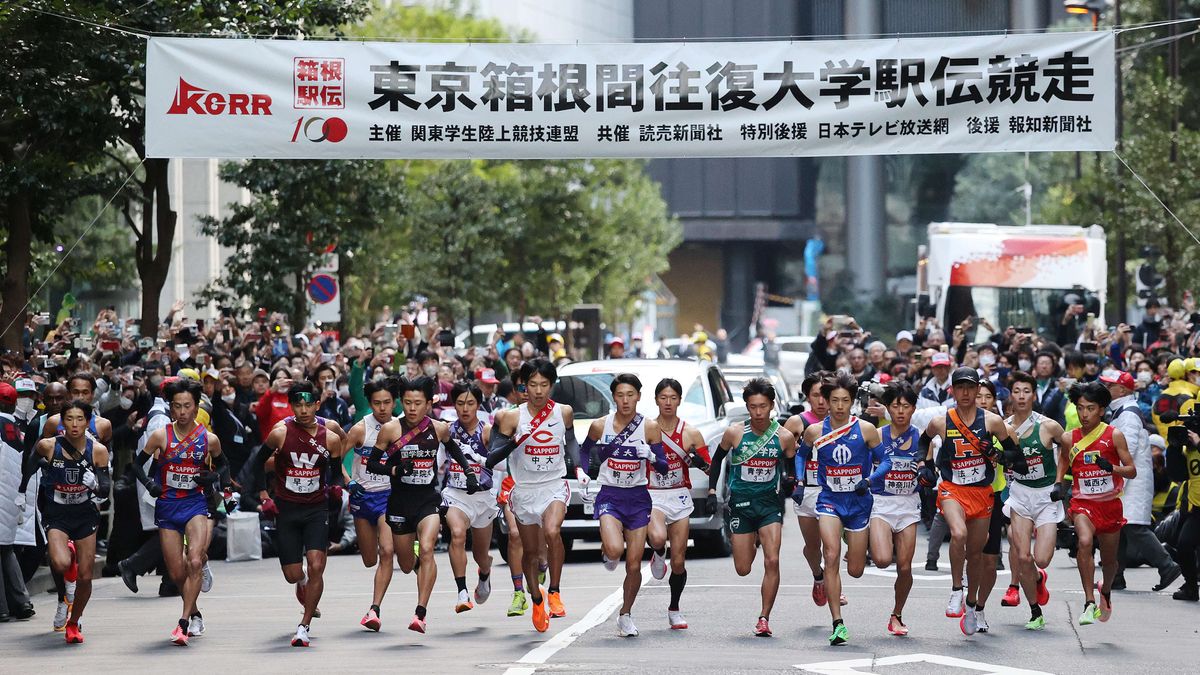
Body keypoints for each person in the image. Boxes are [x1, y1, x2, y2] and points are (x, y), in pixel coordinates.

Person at [917, 367, 1025, 636]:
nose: (965, 393)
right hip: (952, 488)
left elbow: (1016, 456)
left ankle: (973, 602)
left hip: (982, 492)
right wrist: (925, 465)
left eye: (970, 387)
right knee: (958, 532)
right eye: (960, 387)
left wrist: (997, 455)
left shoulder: (993, 422)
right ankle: (956, 590)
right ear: (952, 390)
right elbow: (924, 440)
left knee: (976, 554)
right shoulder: (941, 421)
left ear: (978, 390)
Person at [368, 376, 478, 634]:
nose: (412, 408)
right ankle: (418, 561)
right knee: (407, 564)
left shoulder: (439, 429)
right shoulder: (391, 430)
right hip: (399, 503)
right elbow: (372, 463)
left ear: (428, 403)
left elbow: (455, 451)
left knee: (428, 548)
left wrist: (469, 473)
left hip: (427, 500)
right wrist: (395, 469)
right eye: (407, 403)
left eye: (418, 403)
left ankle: (420, 614)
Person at [486, 359, 580, 633]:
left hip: (553, 484)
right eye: (533, 385)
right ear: (523, 386)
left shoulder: (564, 412)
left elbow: (571, 442)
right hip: (525, 489)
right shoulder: (509, 417)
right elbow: (491, 458)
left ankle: (554, 592)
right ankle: (536, 600)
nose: (538, 391)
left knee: (552, 532)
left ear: (552, 385)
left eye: (544, 385)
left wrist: (579, 467)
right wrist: (516, 440)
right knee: (529, 552)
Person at [131, 378, 227, 645]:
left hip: (194, 504)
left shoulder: (209, 439)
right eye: (177, 406)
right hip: (167, 507)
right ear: (171, 409)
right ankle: (195, 613)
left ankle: (183, 623)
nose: (182, 411)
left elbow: (224, 468)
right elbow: (137, 465)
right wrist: (150, 484)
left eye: (187, 406)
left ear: (196, 408)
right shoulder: (161, 435)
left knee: (194, 560)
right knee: (176, 574)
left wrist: (211, 478)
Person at [707, 378, 798, 638]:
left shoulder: (784, 437)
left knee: (773, 559)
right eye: (752, 407)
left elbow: (791, 466)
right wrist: (713, 491)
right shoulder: (735, 433)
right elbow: (717, 461)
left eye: (763, 406)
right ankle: (752, 539)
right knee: (743, 568)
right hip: (741, 505)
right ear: (747, 407)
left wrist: (792, 481)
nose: (758, 412)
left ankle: (764, 617)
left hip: (769, 505)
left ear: (771, 406)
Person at [579, 374, 668, 637]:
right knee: (616, 550)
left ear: (639, 396)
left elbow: (662, 467)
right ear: (613, 397)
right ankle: (608, 549)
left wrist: (651, 456)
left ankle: (625, 614)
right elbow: (584, 451)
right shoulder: (600, 425)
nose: (625, 400)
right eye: (620, 395)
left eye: (631, 394)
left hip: (638, 498)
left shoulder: (650, 427)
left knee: (633, 564)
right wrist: (583, 473)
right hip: (610, 495)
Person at [261, 381, 347, 647]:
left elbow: (335, 468)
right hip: (287, 508)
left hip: (315, 508)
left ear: (317, 405)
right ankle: (301, 583)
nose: (303, 409)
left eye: (308, 404)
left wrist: (336, 486)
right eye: (298, 404)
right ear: (292, 406)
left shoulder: (330, 435)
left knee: (317, 565)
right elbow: (258, 464)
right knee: (292, 573)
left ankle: (304, 626)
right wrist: (264, 496)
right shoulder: (280, 432)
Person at [798, 373, 880, 645]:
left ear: (852, 401)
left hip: (858, 504)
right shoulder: (814, 431)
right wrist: (799, 481)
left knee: (855, 569)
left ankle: (852, 539)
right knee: (830, 556)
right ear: (827, 401)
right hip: (829, 500)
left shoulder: (866, 429)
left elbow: (887, 461)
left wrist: (869, 480)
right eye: (835, 400)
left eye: (845, 400)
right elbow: (800, 455)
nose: (840, 406)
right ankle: (838, 623)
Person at [22, 401, 110, 643]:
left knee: (85, 576)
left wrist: (95, 484)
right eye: (69, 419)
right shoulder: (48, 445)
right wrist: (22, 491)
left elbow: (105, 491)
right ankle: (67, 563)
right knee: (60, 564)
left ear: (87, 421)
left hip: (84, 514)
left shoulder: (98, 450)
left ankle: (74, 622)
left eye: (80, 419)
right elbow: (30, 462)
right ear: (62, 421)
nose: (74, 424)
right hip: (57, 513)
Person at [1100, 370, 1183, 593]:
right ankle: (1115, 575)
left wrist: (1115, 476)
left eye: (1110, 386)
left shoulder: (1127, 413)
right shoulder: (1122, 411)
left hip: (1132, 481)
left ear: (1123, 390)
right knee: (1120, 527)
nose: (1106, 389)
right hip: (1129, 479)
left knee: (1135, 527)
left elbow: (1126, 449)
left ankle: (1167, 566)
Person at [1062, 382, 1135, 625]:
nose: (1084, 414)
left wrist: (1111, 468)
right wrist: (1058, 485)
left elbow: (1132, 471)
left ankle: (1105, 590)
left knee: (1110, 561)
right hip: (1082, 504)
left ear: (1101, 410)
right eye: (1080, 408)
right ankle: (1089, 601)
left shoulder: (1114, 435)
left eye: (1090, 408)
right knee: (1084, 541)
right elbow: (1063, 464)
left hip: (1110, 505)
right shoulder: (1068, 438)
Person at [999, 372, 1066, 631]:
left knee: (1042, 558)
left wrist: (1060, 481)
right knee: (1023, 556)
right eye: (1017, 391)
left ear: (1034, 395)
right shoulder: (1004, 428)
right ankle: (1035, 611)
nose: (1022, 396)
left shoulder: (1048, 426)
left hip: (1047, 496)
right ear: (1011, 395)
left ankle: (1039, 576)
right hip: (1020, 495)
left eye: (1027, 391)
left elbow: (1067, 450)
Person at [647, 378, 710, 630]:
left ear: (680, 400)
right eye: (663, 398)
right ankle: (657, 552)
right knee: (659, 538)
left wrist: (697, 460)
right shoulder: (645, 429)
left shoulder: (691, 433)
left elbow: (708, 468)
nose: (668, 403)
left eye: (673, 398)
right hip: (653, 494)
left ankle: (674, 609)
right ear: (656, 400)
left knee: (680, 560)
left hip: (680, 496)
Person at [784, 372, 845, 609]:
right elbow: (786, 455)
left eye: (824, 395)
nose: (821, 401)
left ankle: (834, 587)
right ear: (808, 397)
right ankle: (818, 577)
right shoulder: (797, 423)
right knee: (813, 547)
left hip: (833, 491)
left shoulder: (842, 421)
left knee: (832, 547)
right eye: (815, 395)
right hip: (806, 491)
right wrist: (792, 478)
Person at [867, 382, 922, 637]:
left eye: (906, 406)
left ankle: (897, 614)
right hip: (882, 503)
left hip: (909, 505)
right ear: (887, 408)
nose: (901, 411)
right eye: (895, 405)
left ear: (913, 408)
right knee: (880, 560)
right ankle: (867, 537)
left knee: (905, 567)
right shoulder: (877, 436)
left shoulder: (922, 438)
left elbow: (929, 465)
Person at [343, 378, 396, 632]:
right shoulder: (359, 430)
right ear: (370, 404)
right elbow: (336, 459)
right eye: (377, 403)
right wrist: (348, 482)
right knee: (368, 558)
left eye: (387, 402)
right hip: (362, 498)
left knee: (387, 552)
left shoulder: (400, 427)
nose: (382, 408)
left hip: (389, 497)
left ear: (394, 402)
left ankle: (374, 609)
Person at [441, 382, 496, 614]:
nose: (465, 409)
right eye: (460, 403)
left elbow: (500, 463)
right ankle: (462, 592)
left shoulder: (487, 431)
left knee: (481, 555)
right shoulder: (447, 431)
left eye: (470, 403)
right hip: (456, 495)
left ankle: (484, 573)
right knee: (457, 534)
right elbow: (437, 462)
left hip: (482, 498)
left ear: (478, 405)